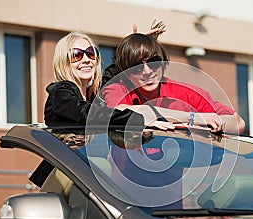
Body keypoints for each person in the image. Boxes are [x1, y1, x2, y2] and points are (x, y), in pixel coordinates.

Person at [101, 22, 245, 134]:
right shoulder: (117, 89)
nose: (147, 71)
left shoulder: (183, 91)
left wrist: (204, 124)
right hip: (128, 172)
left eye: (153, 62)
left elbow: (238, 123)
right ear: (127, 72)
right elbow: (120, 112)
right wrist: (193, 118)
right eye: (137, 67)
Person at [43, 30, 173, 139]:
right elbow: (88, 113)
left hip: (83, 167)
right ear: (63, 61)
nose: (86, 60)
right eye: (76, 55)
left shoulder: (92, 95)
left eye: (90, 53)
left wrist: (134, 50)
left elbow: (112, 74)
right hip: (64, 168)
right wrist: (137, 119)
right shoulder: (60, 92)